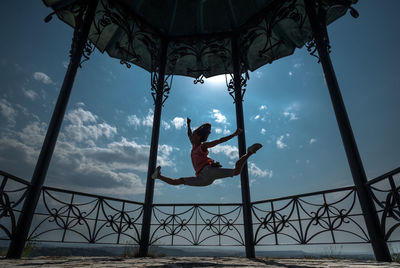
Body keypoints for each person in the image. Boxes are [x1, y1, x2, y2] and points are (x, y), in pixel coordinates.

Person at [152, 118, 262, 186]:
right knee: (179, 181)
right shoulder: (194, 145)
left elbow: (219, 141)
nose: (191, 137)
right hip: (202, 178)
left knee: (237, 171)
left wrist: (234, 134)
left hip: (209, 171)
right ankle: (158, 176)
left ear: (199, 137)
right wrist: (188, 124)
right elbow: (189, 134)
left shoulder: (202, 146)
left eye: (194, 135)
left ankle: (249, 152)